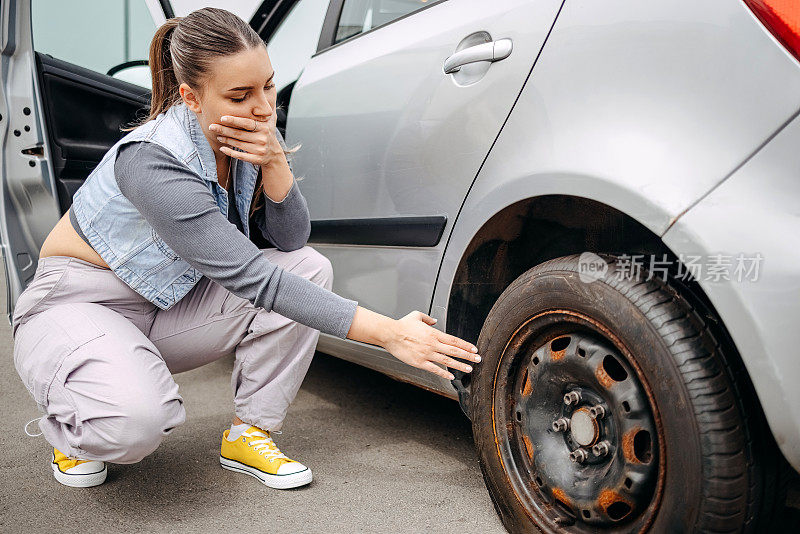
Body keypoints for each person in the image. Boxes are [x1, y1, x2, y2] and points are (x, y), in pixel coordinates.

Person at [11, 7, 480, 490]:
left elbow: (290, 241)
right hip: (79, 302)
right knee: (133, 427)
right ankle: (74, 424)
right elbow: (250, 276)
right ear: (192, 97)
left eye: (268, 87)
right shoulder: (151, 159)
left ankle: (249, 433)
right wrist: (387, 333)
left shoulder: (240, 139)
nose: (263, 108)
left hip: (165, 308)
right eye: (240, 95)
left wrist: (276, 161)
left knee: (307, 266)